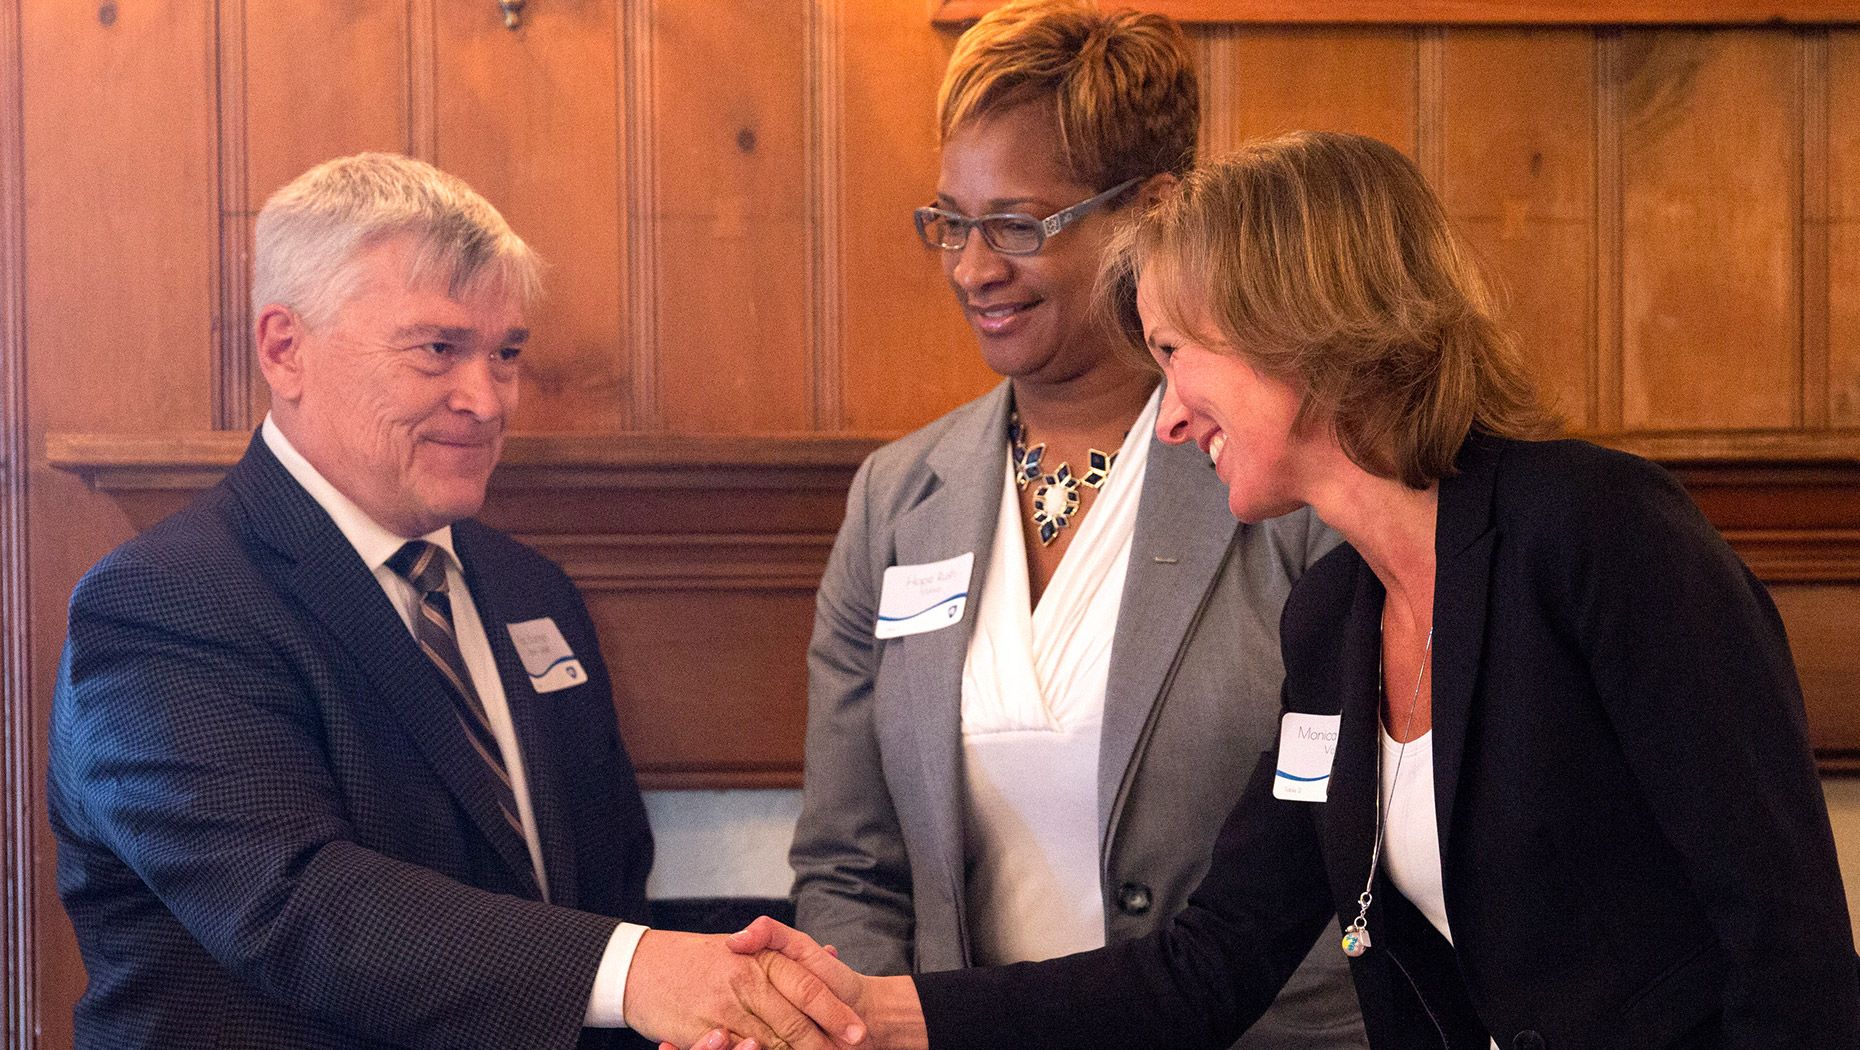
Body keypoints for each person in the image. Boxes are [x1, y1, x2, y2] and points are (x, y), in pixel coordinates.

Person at [717, 131, 1860, 1049]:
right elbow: (1210, 965)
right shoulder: (1335, 622)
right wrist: (880, 1013)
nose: (1166, 416)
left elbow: (1790, 948)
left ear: (1297, 332)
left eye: (1177, 355)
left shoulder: (1599, 535)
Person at [46, 153, 863, 1050]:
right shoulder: (163, 604)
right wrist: (641, 972)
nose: (485, 399)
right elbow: (295, 903)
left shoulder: (530, 590)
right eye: (438, 349)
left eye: (505, 353)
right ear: (285, 348)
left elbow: (603, 877)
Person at [787, 4, 1364, 1047]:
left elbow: (1347, 848)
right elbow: (849, 865)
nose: (972, 269)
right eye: (950, 223)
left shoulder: (1287, 482)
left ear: (1152, 209)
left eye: (1018, 225)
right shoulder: (894, 500)